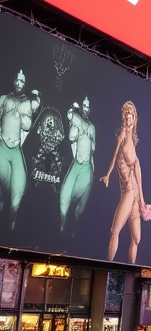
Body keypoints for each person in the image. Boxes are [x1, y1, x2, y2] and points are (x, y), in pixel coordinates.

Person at [99, 101, 151, 264]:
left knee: (135, 238)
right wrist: (108, 174)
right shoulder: (123, 136)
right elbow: (115, 156)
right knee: (114, 232)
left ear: (134, 119)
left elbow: (137, 168)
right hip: (128, 191)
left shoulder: (132, 139)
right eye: (126, 118)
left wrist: (142, 201)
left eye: (131, 118)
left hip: (132, 192)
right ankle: (108, 266)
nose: (128, 122)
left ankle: (128, 269)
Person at [0, 70, 39, 231]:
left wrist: (33, 102)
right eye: (16, 80)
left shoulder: (28, 103)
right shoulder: (3, 99)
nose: (18, 83)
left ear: (25, 84)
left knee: (18, 190)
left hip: (16, 149)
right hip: (1, 146)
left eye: (21, 81)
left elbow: (28, 125)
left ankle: (11, 229)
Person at [59, 97, 96, 235]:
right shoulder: (76, 120)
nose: (86, 109)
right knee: (64, 197)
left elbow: (92, 151)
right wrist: (74, 110)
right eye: (84, 106)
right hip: (76, 164)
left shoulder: (92, 127)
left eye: (88, 106)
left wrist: (93, 171)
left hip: (86, 167)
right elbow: (71, 133)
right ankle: (61, 230)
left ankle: (74, 232)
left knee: (80, 208)